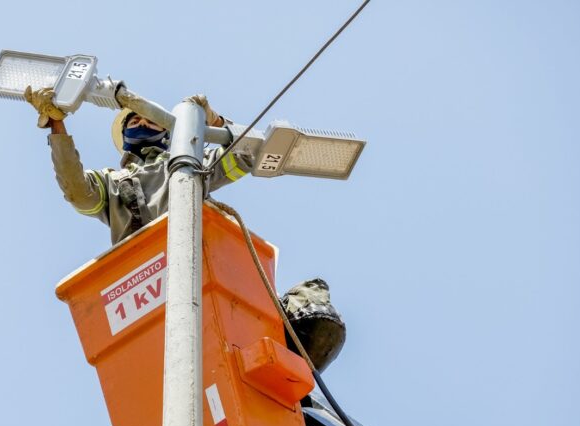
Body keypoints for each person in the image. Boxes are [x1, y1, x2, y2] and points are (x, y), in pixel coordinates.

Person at [25, 87, 346, 374]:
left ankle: (286, 366)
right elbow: (77, 190)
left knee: (311, 308)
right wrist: (57, 126)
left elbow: (245, 156)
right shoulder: (113, 184)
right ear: (124, 137)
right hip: (149, 284)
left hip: (204, 273)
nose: (143, 123)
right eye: (133, 121)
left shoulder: (188, 163)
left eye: (151, 120)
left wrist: (216, 122)